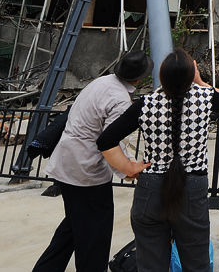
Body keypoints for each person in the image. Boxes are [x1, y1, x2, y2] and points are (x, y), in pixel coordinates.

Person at [97, 47, 219, 271]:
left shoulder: (145, 103)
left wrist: (129, 168)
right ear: (191, 75)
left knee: (150, 264)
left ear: (161, 76)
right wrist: (199, 80)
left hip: (151, 187)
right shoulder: (206, 99)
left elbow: (105, 141)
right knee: (196, 261)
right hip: (192, 187)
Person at [33, 51, 152, 272]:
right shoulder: (119, 100)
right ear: (140, 78)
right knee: (95, 234)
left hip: (68, 162)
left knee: (74, 224)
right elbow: (109, 141)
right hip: (86, 172)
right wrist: (128, 169)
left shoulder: (101, 82)